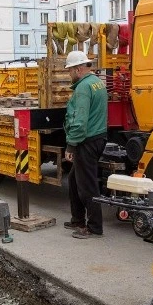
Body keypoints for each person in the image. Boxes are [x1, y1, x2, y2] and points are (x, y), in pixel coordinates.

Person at [62, 50, 108, 239]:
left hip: (86, 141)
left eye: (70, 70)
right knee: (74, 180)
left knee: (86, 185)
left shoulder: (83, 88)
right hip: (98, 137)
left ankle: (95, 227)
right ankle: (77, 219)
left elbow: (80, 121)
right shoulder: (97, 83)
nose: (69, 74)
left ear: (78, 69)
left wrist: (71, 145)